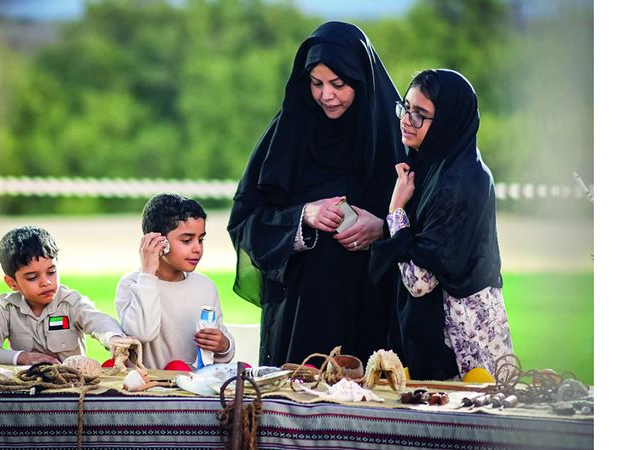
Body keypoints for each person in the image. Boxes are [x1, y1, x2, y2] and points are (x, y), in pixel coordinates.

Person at [227, 21, 405, 367]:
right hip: (301, 314)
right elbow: (246, 218)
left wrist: (383, 229)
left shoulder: (395, 137)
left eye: (338, 84)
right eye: (316, 83)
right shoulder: (288, 134)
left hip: (373, 311)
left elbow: (430, 226)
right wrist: (302, 216)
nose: (326, 95)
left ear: (361, 81)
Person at [370, 69, 513, 380]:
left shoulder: (455, 183)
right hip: (456, 336)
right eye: (406, 108)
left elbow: (420, 282)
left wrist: (396, 210)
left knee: (462, 426)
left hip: (463, 343)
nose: (407, 120)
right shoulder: (436, 165)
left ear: (448, 120)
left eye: (421, 114)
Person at [0, 226, 126, 365]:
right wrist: (23, 357)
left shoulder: (70, 303)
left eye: (51, 272)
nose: (46, 282)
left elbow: (99, 321)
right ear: (12, 283)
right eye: (32, 277)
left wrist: (113, 338)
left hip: (71, 388)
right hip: (26, 390)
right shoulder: (7, 309)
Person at [115, 193, 235, 369]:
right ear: (159, 241)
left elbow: (218, 354)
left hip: (193, 388)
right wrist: (148, 273)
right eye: (187, 240)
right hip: (149, 389)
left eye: (201, 239)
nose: (197, 249)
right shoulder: (132, 284)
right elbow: (143, 333)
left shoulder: (204, 286)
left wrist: (223, 345)